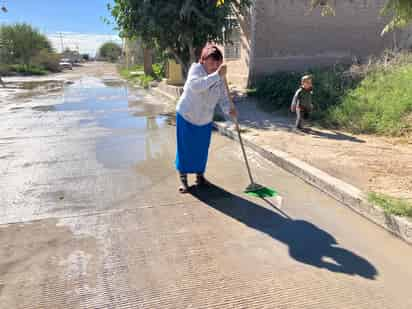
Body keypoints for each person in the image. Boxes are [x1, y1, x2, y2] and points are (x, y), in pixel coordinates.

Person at [175, 44, 237, 193]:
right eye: (212, 61)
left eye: (218, 62)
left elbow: (223, 98)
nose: (215, 65)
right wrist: (217, 75)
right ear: (203, 60)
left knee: (202, 150)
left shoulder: (220, 77)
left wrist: (230, 111)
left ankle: (200, 177)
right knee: (185, 148)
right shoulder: (196, 69)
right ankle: (184, 180)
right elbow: (196, 86)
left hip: (204, 119)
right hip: (187, 115)